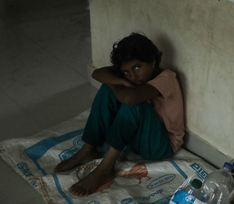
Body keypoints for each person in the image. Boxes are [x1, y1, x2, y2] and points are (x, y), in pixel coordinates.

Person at [53, 33, 185, 197]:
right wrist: (119, 81)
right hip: (136, 139)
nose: (133, 76)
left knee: (133, 103)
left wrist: (117, 81)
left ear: (152, 62)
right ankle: (89, 149)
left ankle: (106, 168)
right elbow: (98, 73)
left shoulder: (166, 78)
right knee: (109, 88)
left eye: (137, 67)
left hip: (161, 145)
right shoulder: (132, 77)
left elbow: (130, 99)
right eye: (126, 72)